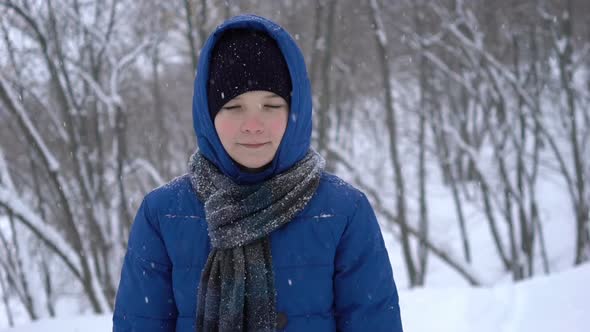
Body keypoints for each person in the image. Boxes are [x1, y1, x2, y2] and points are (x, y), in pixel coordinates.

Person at [113, 14, 403, 332]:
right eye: (234, 107)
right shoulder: (162, 215)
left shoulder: (344, 211)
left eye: (271, 106)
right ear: (208, 117)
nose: (253, 125)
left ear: (296, 111)